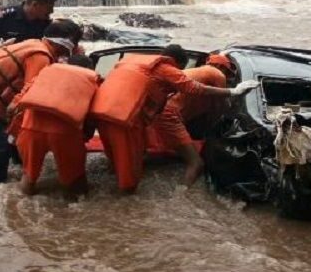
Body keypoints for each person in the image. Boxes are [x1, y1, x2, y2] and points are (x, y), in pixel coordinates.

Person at [91, 44, 259, 193]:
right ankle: (181, 196)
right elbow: (214, 105)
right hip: (160, 115)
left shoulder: (140, 65)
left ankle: (110, 189)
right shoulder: (213, 73)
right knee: (196, 163)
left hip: (110, 113)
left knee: (123, 159)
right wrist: (233, 92)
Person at [0, 20, 83, 185]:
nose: (75, 48)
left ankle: (15, 171)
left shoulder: (36, 43)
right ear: (65, 43)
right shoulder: (40, 57)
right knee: (0, 148)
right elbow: (30, 92)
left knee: (12, 139)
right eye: (74, 43)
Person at [15, 54, 99, 197]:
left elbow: (21, 99)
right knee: (74, 179)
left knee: (29, 176)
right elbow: (93, 115)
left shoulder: (45, 73)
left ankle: (20, 202)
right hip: (65, 133)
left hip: (30, 129)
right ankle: (73, 212)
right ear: (88, 69)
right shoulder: (91, 80)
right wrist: (86, 136)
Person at [149, 54, 237, 185]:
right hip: (169, 114)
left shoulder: (194, 72)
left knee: (156, 154)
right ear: (219, 66)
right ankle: (181, 197)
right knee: (196, 163)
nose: (227, 78)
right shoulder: (217, 74)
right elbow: (220, 107)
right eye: (227, 74)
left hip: (158, 110)